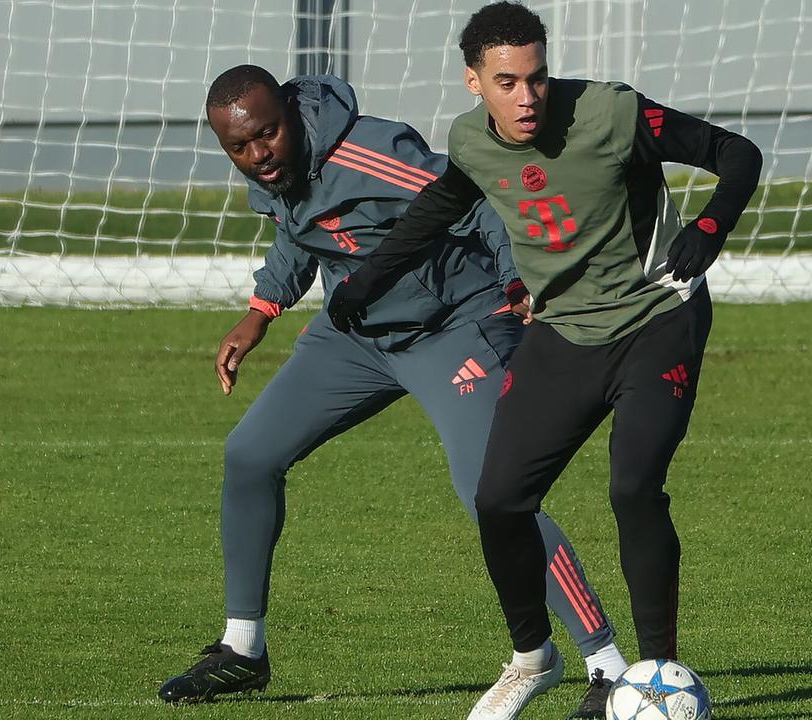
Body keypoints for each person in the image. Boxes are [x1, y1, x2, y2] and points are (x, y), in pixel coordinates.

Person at [327, 3, 764, 719]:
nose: (527, 96)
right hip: (564, 330)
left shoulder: (612, 113)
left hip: (659, 319)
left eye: (536, 77)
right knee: (499, 501)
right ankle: (533, 657)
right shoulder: (471, 141)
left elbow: (736, 153)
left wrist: (711, 228)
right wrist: (368, 279)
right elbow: (439, 207)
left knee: (634, 488)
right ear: (474, 82)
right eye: (507, 82)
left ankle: (655, 674)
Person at [156, 63, 628, 707]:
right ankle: (243, 649)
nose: (258, 153)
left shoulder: (371, 151)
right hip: (355, 336)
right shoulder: (276, 171)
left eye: (267, 134)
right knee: (249, 455)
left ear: (289, 112)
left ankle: (607, 665)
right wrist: (261, 310)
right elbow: (300, 232)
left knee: (494, 496)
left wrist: (518, 281)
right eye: (239, 146)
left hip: (454, 326)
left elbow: (474, 198)